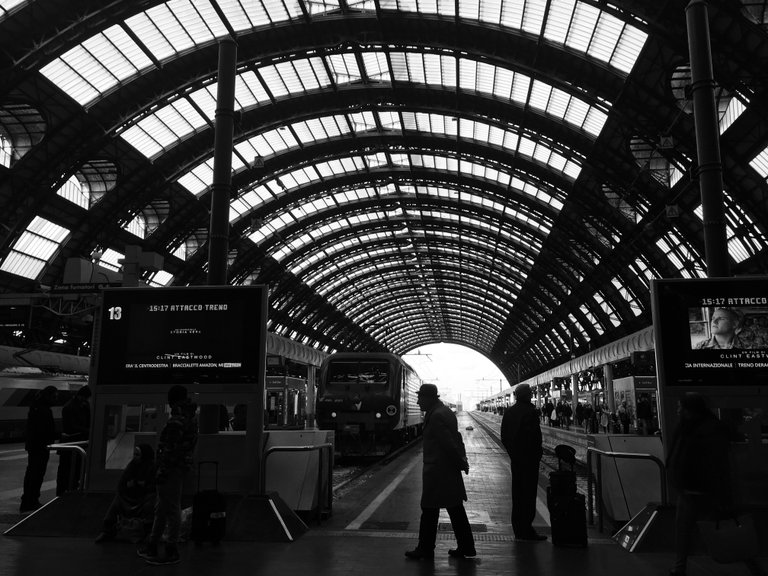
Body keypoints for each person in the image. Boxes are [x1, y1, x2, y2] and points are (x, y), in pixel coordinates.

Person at [405, 384, 476, 560]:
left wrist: (461, 462)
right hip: (445, 470)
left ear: (429, 398)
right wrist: (460, 461)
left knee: (429, 510)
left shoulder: (436, 416)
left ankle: (425, 548)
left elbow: (448, 443)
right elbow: (456, 439)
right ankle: (466, 546)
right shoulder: (443, 412)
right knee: (454, 508)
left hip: (438, 471)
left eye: (420, 398)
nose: (418, 401)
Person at [666, 393, 731, 576]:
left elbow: (717, 463)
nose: (678, 410)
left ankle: (682, 565)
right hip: (687, 489)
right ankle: (681, 565)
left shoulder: (706, 430)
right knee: (689, 529)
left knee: (698, 529)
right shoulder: (689, 427)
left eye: (681, 407)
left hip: (703, 489)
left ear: (690, 409)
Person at [137, 385, 198, 566]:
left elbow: (170, 448)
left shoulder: (177, 420)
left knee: (170, 508)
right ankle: (152, 544)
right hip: (179, 467)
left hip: (170, 468)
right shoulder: (191, 417)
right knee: (162, 508)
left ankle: (171, 549)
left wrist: (161, 468)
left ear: (172, 400)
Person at [500, 383, 547, 541]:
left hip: (517, 460)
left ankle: (518, 529)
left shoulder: (509, 412)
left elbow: (504, 437)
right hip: (529, 460)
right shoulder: (530, 412)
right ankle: (526, 529)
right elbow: (534, 438)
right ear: (527, 395)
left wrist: (513, 454)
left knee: (517, 494)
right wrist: (536, 455)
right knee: (528, 495)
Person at [95, 444, 156, 543]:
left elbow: (152, 486)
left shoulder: (151, 467)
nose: (135, 457)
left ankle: (148, 531)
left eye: (137, 455)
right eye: (134, 454)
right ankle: (107, 529)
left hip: (144, 497)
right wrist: (136, 485)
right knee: (117, 501)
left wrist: (137, 484)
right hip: (131, 496)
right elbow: (122, 484)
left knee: (150, 503)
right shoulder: (132, 466)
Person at [20, 385, 58, 513]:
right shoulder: (43, 410)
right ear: (48, 396)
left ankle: (28, 500)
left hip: (34, 447)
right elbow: (44, 430)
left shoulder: (36, 406)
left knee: (32, 473)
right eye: (54, 397)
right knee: (36, 474)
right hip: (40, 447)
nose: (56, 399)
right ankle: (31, 501)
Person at [56, 385, 92, 495]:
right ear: (81, 396)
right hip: (70, 443)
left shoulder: (84, 406)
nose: (86, 401)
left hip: (79, 443)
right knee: (65, 470)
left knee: (76, 469)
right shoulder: (69, 407)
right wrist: (88, 431)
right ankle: (62, 492)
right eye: (85, 398)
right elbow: (70, 427)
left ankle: (72, 489)